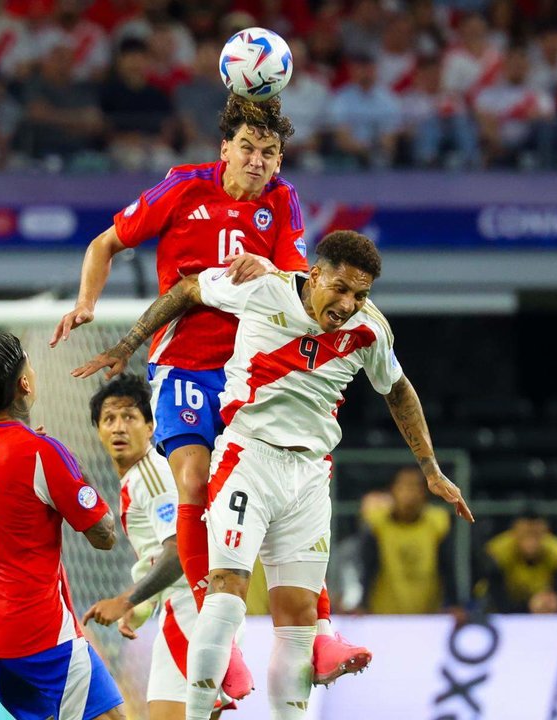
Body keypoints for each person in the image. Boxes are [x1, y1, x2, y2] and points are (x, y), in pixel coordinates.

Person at [73, 230, 474, 720]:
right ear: (316, 273)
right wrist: (129, 342)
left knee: (299, 621)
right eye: (341, 289)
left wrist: (429, 468)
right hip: (249, 460)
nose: (349, 304)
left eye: (361, 295)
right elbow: (188, 289)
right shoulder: (263, 288)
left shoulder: (370, 330)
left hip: (309, 477)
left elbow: (399, 390)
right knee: (225, 599)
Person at [50, 93, 368, 692]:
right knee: (192, 481)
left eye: (268, 153)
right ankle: (216, 642)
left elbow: (303, 283)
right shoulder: (183, 187)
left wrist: (267, 269)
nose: (256, 161)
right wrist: (87, 305)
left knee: (286, 493)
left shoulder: (283, 200)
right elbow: (103, 245)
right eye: (246, 148)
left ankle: (319, 630)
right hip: (185, 366)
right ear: (225, 149)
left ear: (279, 161)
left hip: (253, 373)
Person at [0, 333, 124, 720]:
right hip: (42, 641)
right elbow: (105, 535)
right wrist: (70, 468)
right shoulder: (42, 453)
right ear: (25, 384)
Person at [81, 374, 228, 719]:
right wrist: (143, 604)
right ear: (99, 430)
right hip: (195, 606)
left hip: (192, 608)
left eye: (129, 417)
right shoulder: (140, 476)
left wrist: (126, 600)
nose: (119, 428)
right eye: (109, 419)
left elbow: (180, 551)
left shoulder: (152, 475)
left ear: (150, 426)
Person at [357, 466, 455, 614]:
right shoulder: (377, 524)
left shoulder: (438, 523)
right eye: (403, 486)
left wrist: (454, 603)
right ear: (392, 491)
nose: (410, 493)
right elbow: (368, 568)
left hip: (429, 615)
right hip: (383, 614)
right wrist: (363, 605)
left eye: (415, 486)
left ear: (424, 492)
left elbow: (447, 567)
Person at [479, 508, 557, 614]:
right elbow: (496, 597)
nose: (531, 541)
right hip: (504, 603)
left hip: (542, 605)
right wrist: (528, 607)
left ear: (546, 534)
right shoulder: (498, 552)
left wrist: (555, 602)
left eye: (536, 535)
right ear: (514, 533)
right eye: (525, 534)